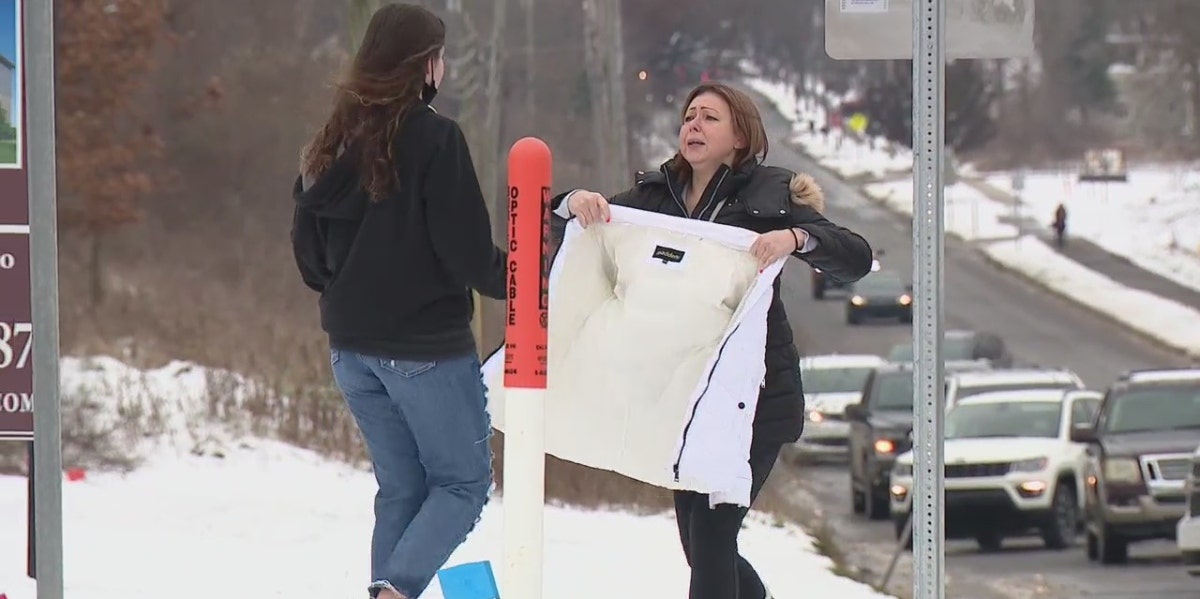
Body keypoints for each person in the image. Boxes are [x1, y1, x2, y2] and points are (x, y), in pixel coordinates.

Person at [552, 82, 873, 599]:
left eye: (709, 118)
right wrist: (573, 202)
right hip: (683, 399)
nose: (694, 125)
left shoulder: (771, 195)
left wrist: (796, 238)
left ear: (740, 137)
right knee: (700, 547)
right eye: (689, 116)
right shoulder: (655, 196)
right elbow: (579, 238)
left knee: (713, 536)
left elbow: (854, 257)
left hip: (753, 399)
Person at [290, 4, 505, 599]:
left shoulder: (326, 144)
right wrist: (527, 281)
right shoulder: (436, 138)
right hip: (424, 350)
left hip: (351, 352)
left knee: (403, 487)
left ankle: (387, 589)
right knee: (462, 484)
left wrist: (347, 291)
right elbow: (466, 253)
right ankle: (394, 591)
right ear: (424, 65)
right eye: (441, 54)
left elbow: (307, 255)